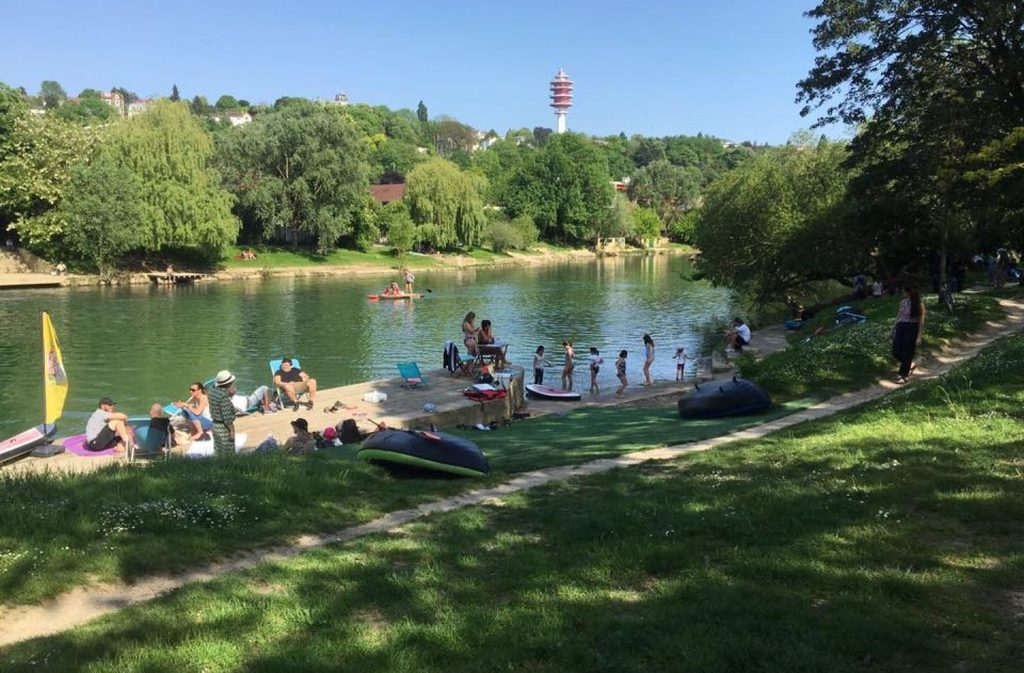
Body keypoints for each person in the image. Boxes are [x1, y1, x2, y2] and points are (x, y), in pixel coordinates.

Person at [891, 286, 925, 384]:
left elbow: (921, 321)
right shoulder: (902, 302)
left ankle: (903, 374)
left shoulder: (919, 303)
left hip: (912, 327)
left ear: (909, 292)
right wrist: (893, 327)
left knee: (907, 351)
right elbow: (899, 315)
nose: (902, 293)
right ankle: (909, 364)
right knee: (896, 351)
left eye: (904, 291)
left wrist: (919, 336)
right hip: (901, 326)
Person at [208, 370, 237, 456]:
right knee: (228, 452)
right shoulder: (223, 397)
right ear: (229, 383)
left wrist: (230, 395)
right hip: (223, 428)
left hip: (215, 425)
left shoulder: (212, 391)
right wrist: (232, 431)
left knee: (218, 449)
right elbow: (227, 418)